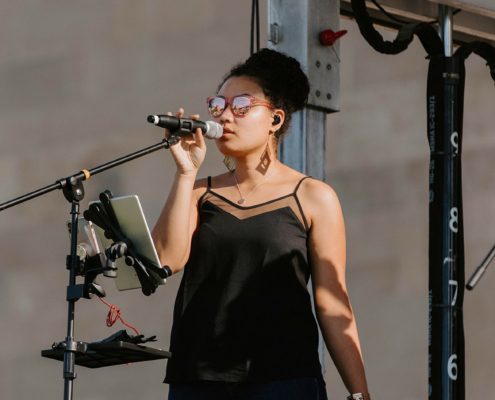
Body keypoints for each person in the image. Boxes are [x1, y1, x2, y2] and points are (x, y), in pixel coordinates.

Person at [152, 49, 370, 400]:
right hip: (198, 380)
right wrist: (185, 172)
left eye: (240, 105)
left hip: (283, 379)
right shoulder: (198, 192)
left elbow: (332, 302)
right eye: (218, 105)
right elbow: (165, 260)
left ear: (275, 119)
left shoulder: (313, 196)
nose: (225, 116)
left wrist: (359, 393)